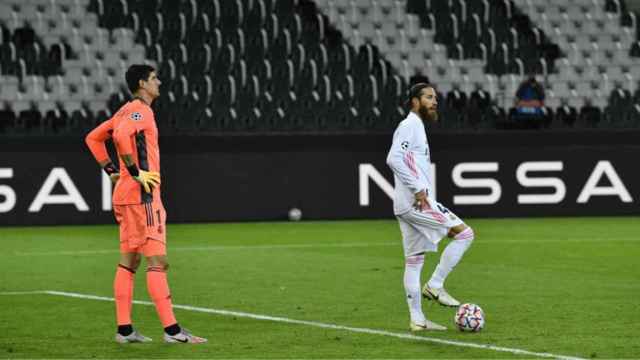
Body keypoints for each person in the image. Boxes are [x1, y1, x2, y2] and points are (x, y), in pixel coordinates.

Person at [85, 64, 207, 344]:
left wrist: (110, 170)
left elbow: (93, 137)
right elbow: (119, 136)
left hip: (126, 198)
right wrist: (136, 172)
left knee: (129, 261)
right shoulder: (141, 111)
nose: (159, 82)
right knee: (158, 262)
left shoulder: (122, 111)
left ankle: (125, 330)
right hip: (144, 197)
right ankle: (173, 331)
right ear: (142, 83)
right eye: (154, 78)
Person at [386, 83, 475, 332]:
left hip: (405, 205)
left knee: (414, 260)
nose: (434, 101)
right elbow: (393, 158)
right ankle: (435, 285)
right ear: (414, 101)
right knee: (465, 234)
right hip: (417, 202)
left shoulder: (418, 127)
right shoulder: (410, 125)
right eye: (428, 97)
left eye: (435, 97)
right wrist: (418, 189)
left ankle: (417, 320)